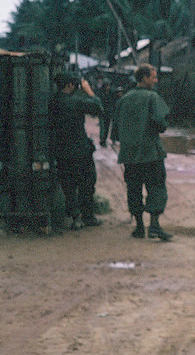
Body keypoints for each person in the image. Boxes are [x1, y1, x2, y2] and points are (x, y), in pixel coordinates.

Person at [111, 63, 173, 241]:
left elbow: (114, 130)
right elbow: (161, 124)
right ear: (144, 78)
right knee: (156, 187)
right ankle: (154, 225)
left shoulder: (123, 99)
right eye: (153, 77)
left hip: (129, 155)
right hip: (150, 153)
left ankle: (139, 227)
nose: (155, 80)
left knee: (134, 189)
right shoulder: (152, 97)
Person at [49, 71, 104, 229]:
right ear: (70, 85)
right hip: (80, 151)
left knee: (69, 185)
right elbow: (98, 109)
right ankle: (88, 216)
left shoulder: (53, 102)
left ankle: (75, 217)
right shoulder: (75, 102)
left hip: (61, 151)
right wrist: (89, 91)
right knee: (87, 183)